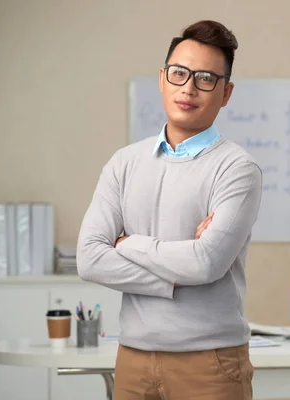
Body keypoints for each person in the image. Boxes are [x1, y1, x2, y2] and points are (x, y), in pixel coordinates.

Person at [76, 19, 262, 400]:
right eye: (179, 73)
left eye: (206, 78)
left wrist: (126, 244)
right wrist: (172, 278)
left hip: (210, 363)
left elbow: (206, 264)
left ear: (225, 93)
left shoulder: (237, 169)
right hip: (133, 359)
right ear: (162, 78)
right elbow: (90, 258)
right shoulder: (124, 163)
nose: (189, 88)